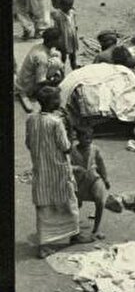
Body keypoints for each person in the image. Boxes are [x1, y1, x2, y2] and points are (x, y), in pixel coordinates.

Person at [25, 84, 82, 247]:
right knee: (69, 202)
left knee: (44, 206)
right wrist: (70, 128)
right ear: (51, 103)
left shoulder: (31, 119)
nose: (60, 101)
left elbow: (29, 143)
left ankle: (45, 243)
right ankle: (74, 235)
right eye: (57, 98)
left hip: (40, 169)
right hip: (58, 169)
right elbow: (66, 147)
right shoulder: (56, 122)